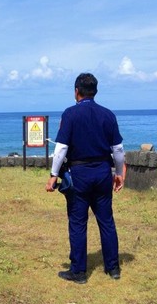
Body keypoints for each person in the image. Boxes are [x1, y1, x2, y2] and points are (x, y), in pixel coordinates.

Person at [45, 73, 125, 284]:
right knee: (106, 220)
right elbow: (118, 149)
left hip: (79, 173)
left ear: (76, 91)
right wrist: (119, 173)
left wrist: (53, 175)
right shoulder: (108, 115)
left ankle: (79, 272)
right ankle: (113, 268)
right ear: (95, 91)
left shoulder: (70, 114)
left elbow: (62, 148)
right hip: (102, 172)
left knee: (78, 222)